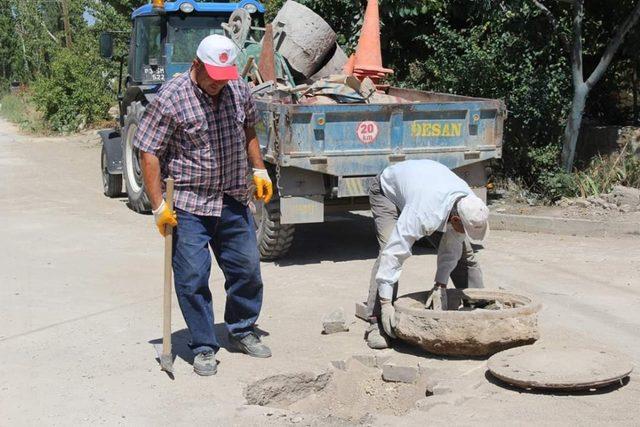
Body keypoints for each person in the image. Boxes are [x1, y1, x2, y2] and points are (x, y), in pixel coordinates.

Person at [134, 34, 273, 376]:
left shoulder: (237, 88)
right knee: (193, 276)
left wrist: (259, 168)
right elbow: (148, 150)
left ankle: (241, 328)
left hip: (231, 196)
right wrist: (157, 206)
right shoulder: (172, 96)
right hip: (188, 203)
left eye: (225, 77)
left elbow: (248, 129)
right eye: (213, 77)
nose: (219, 85)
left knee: (247, 270)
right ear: (196, 65)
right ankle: (204, 345)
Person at [364, 159, 489, 349]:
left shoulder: (470, 202)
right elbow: (394, 255)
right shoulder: (423, 213)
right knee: (388, 249)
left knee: (465, 254)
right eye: (463, 229)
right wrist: (386, 303)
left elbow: (452, 247)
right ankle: (376, 323)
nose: (465, 233)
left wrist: (440, 284)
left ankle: (479, 305)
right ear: (455, 220)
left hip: (424, 189)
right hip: (387, 192)